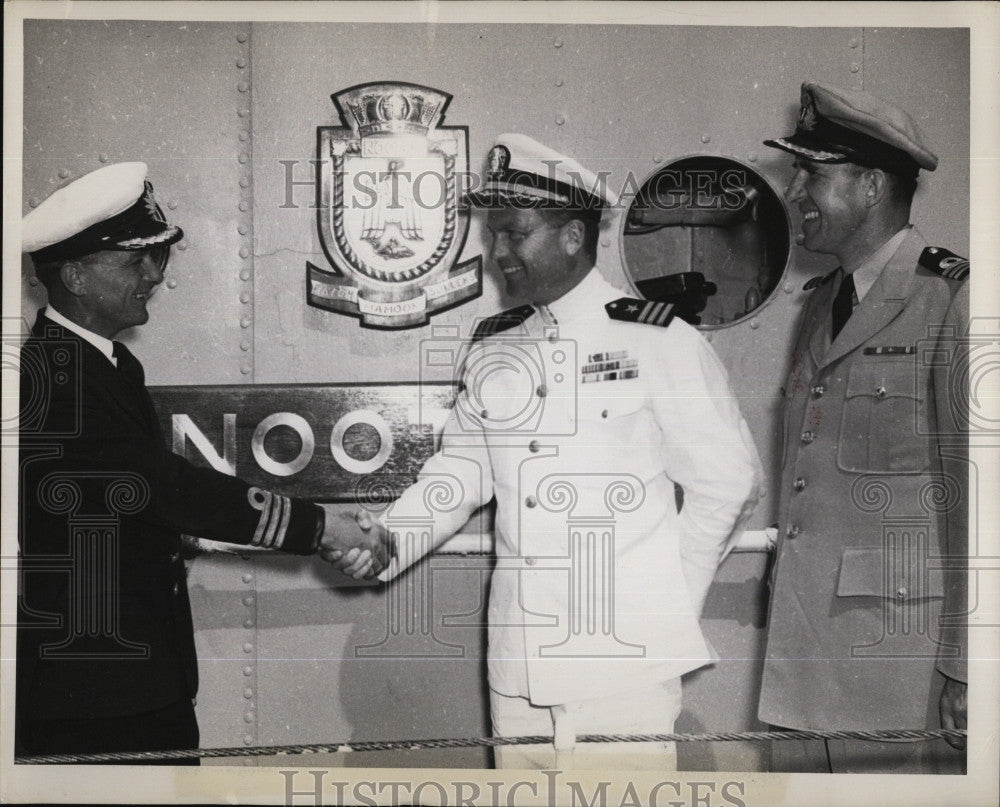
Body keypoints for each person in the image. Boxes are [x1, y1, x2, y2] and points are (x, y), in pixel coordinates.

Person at [351, 134, 764, 770]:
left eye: (515, 233)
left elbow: (730, 483)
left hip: (621, 671)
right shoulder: (495, 345)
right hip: (517, 668)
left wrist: (663, 606)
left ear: (573, 236)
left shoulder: (656, 339)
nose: (497, 253)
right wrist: (384, 541)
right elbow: (460, 474)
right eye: (492, 235)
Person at [16, 162, 391, 762]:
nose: (153, 276)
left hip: (131, 678)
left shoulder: (106, 364)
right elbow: (169, 488)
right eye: (135, 262)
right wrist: (321, 528)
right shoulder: (55, 378)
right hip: (92, 694)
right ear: (76, 277)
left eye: (157, 258)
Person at [759, 82, 969, 773]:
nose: (794, 193)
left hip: (896, 668)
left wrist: (966, 665)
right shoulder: (820, 307)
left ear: (873, 186)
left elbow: (982, 504)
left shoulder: (953, 300)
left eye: (811, 174)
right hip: (804, 656)